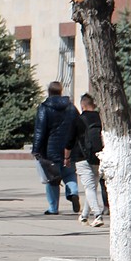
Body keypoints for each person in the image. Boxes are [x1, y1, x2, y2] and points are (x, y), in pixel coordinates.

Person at [32, 81, 82, 215]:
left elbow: (40, 130)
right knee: (70, 173)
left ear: (49, 92)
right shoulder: (71, 107)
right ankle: (73, 193)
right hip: (69, 148)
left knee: (52, 178)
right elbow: (79, 126)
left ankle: (53, 208)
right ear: (60, 92)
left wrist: (36, 149)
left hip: (50, 149)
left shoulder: (44, 107)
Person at [66, 93, 105, 227]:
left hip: (82, 157)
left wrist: (66, 157)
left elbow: (70, 140)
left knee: (89, 188)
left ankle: (98, 215)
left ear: (82, 105)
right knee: (92, 187)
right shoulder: (102, 118)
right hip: (99, 156)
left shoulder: (79, 120)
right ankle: (84, 216)